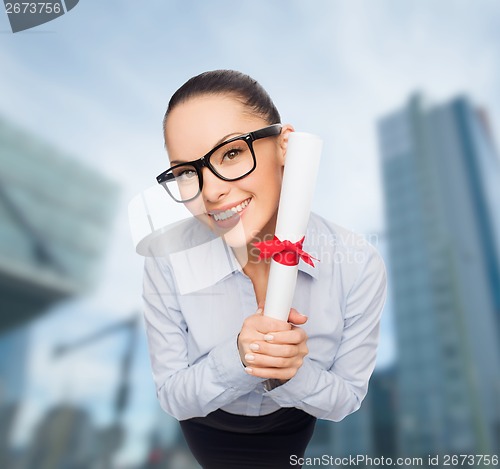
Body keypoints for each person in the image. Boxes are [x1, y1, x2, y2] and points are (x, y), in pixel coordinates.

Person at [142, 70, 387, 468]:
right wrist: (239, 357)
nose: (210, 191)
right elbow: (172, 395)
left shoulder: (358, 264)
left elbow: (345, 399)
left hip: (288, 426)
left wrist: (292, 375)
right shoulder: (167, 258)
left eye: (232, 153)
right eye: (187, 172)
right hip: (206, 425)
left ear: (284, 146)